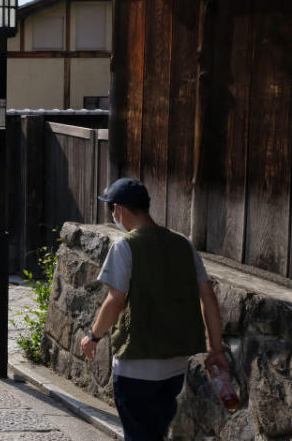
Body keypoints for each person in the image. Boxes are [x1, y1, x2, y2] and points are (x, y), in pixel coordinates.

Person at [80, 178, 227, 441]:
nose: (113, 215)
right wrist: (216, 349)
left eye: (112, 208)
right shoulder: (184, 244)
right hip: (174, 366)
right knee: (156, 434)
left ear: (120, 209)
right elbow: (208, 297)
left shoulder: (125, 246)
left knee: (138, 435)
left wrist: (93, 337)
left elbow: (115, 301)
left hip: (136, 365)